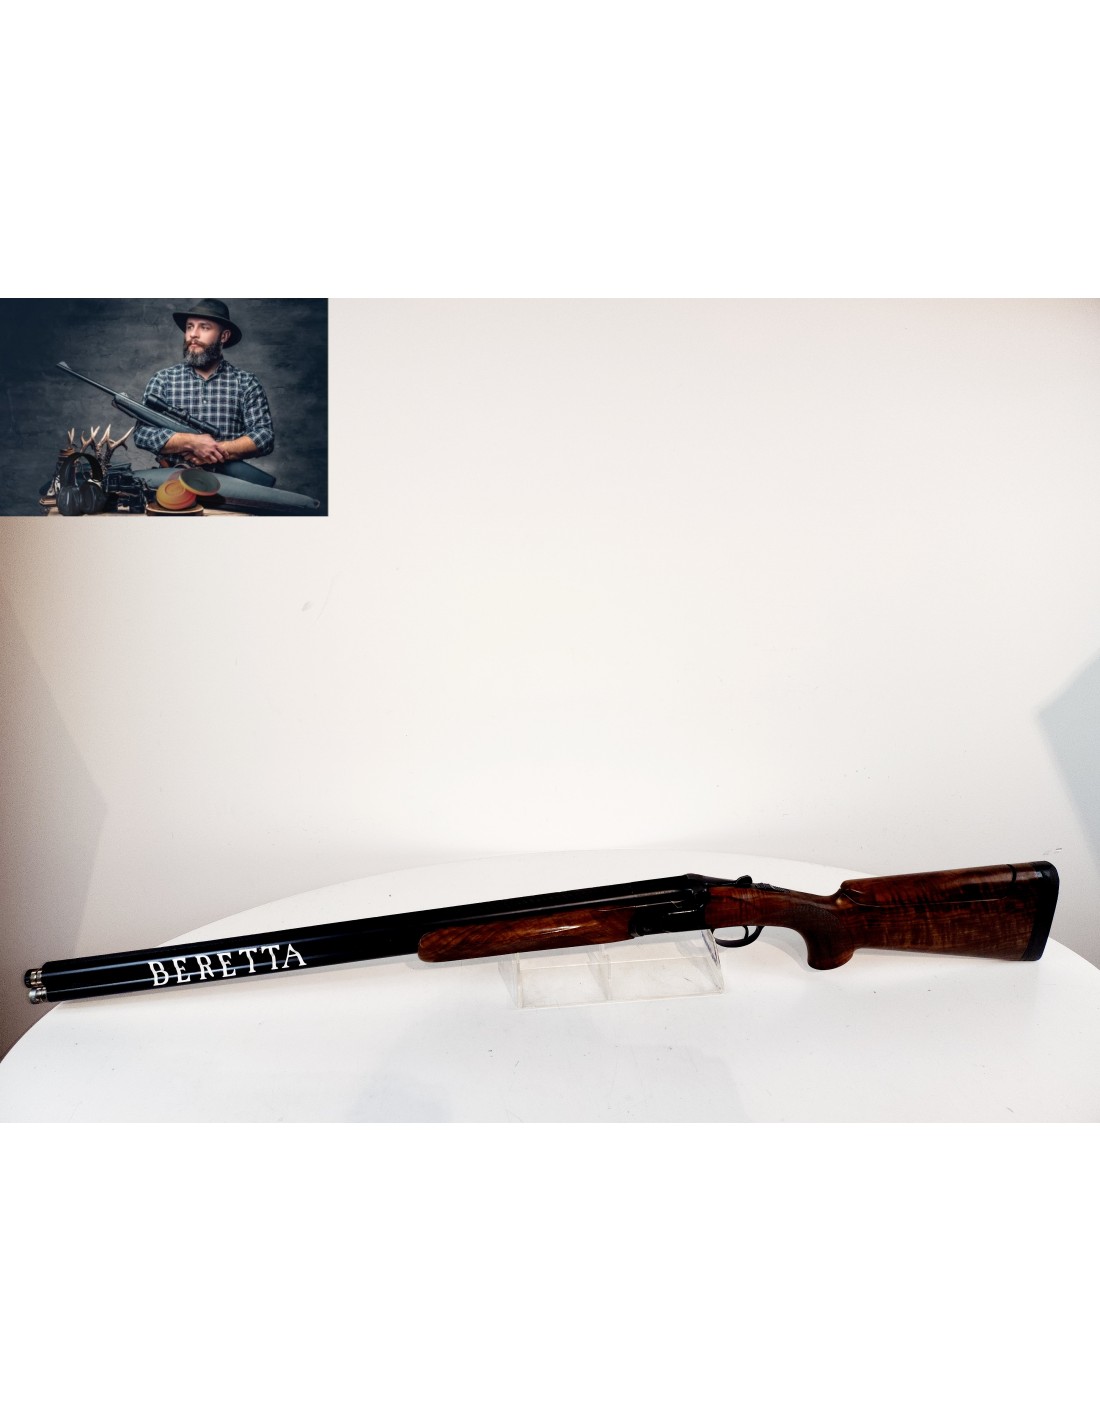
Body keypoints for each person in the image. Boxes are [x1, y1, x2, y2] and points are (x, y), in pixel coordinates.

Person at [133, 300, 275, 468]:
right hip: (173, 480)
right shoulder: (163, 379)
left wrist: (215, 450)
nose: (193, 334)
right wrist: (190, 442)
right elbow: (142, 434)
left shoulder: (246, 383)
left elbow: (264, 436)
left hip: (227, 482)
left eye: (204, 328)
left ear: (224, 336)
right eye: (189, 327)